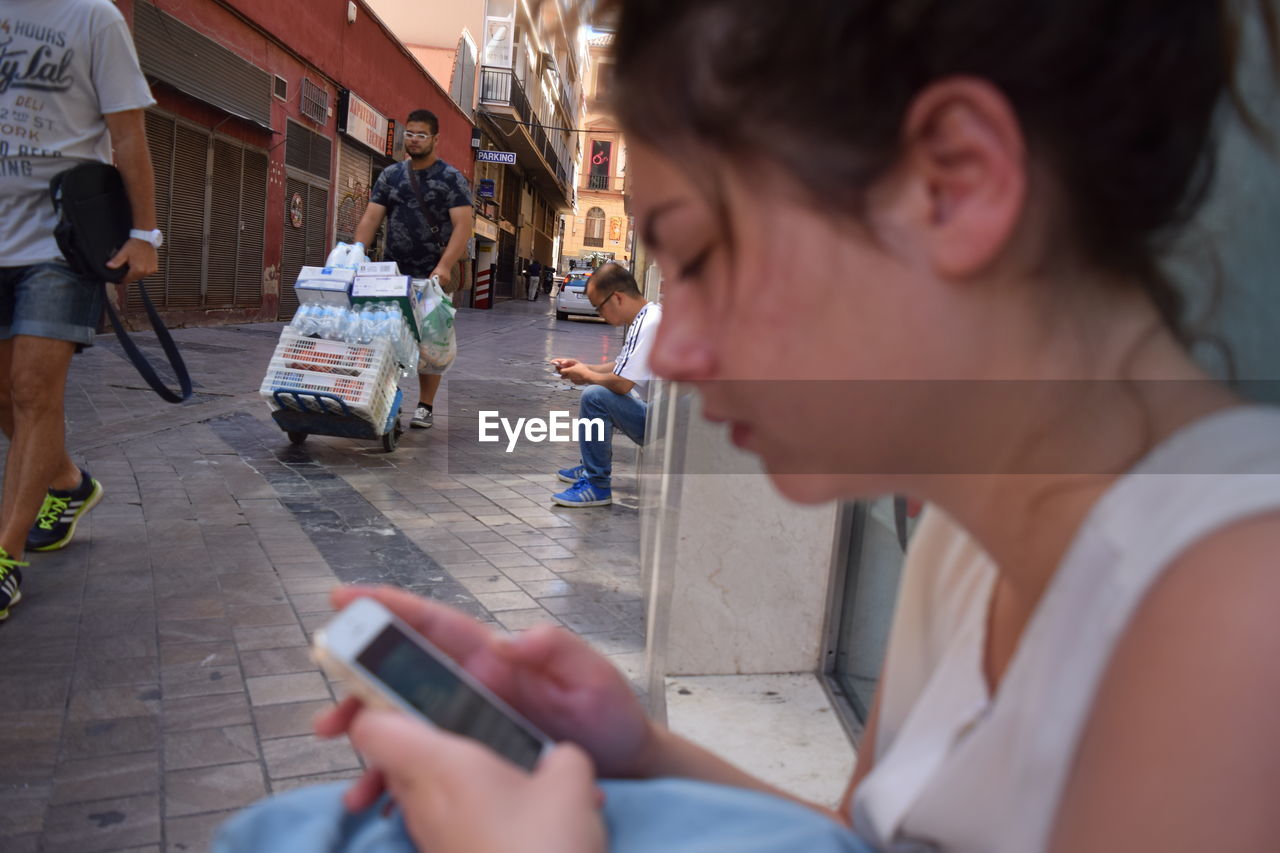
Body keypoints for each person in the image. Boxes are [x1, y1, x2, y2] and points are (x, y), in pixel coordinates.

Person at [217, 0, 1280, 851]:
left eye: (700, 253)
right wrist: (635, 753)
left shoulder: (1238, 627)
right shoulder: (970, 538)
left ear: (951, 186)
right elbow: (860, 837)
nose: (671, 349)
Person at [0, 0, 160, 620]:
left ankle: (7, 557)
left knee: (33, 390)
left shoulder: (95, 19)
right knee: (6, 395)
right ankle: (67, 482)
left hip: (60, 238)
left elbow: (126, 134)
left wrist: (146, 233)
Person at [355, 109, 472, 430]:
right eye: (410, 134)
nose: (414, 140)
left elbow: (463, 226)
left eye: (421, 135)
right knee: (387, 337)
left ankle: (425, 406)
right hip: (393, 277)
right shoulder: (391, 175)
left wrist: (445, 265)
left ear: (435, 139)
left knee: (431, 344)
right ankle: (385, 396)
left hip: (434, 278)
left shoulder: (450, 178)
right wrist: (354, 253)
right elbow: (371, 217)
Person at [549, 263, 660, 508]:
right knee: (598, 391)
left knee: (595, 396)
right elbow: (619, 366)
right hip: (656, 413)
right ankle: (592, 465)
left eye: (599, 307)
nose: (600, 314)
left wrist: (587, 376)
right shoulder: (645, 318)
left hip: (660, 423)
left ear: (617, 298)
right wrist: (582, 366)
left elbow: (621, 384)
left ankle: (597, 484)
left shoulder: (650, 323)